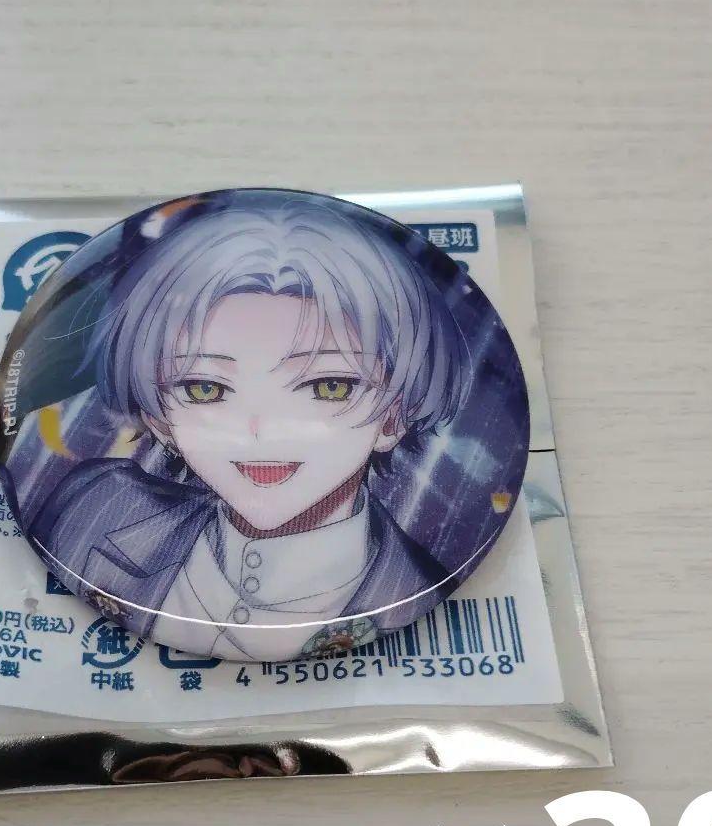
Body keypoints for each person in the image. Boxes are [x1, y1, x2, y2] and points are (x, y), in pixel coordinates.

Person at [28, 195, 472, 661]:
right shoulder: (96, 505)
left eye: (329, 386)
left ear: (394, 416)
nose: (261, 430)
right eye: (204, 389)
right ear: (159, 418)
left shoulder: (421, 593)